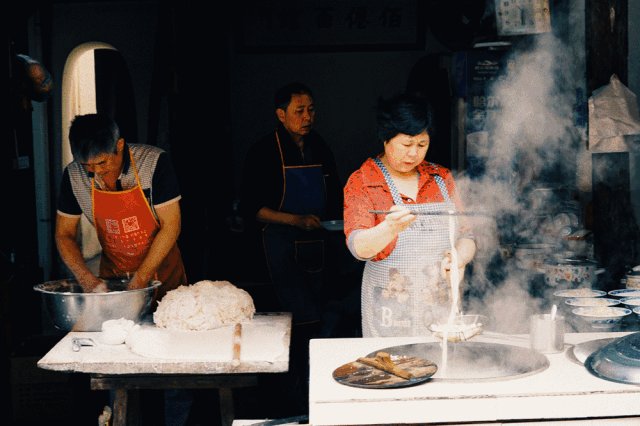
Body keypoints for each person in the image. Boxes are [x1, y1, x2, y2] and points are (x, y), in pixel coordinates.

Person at [56, 113, 190, 423]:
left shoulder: (153, 163)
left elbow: (172, 226)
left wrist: (142, 278)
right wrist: (87, 280)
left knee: (171, 364)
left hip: (163, 275)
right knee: (115, 361)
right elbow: (64, 235)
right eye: (89, 167)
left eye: (103, 163)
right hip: (113, 278)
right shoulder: (73, 175)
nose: (97, 173)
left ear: (119, 145)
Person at [240, 81, 344, 412]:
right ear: (281, 115)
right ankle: (286, 401)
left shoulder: (320, 147)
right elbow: (252, 208)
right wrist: (295, 220)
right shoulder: (262, 151)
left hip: (318, 244)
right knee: (288, 324)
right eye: (299, 110)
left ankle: (318, 394)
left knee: (319, 318)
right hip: (279, 245)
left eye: (311, 109)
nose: (307, 116)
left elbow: (335, 196)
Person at [343, 93, 476, 337]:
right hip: (389, 313)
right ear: (386, 138)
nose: (414, 154)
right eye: (406, 145)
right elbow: (358, 247)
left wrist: (460, 258)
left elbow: (468, 235)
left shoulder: (441, 178)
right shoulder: (364, 181)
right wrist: (389, 229)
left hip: (440, 309)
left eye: (422, 145)